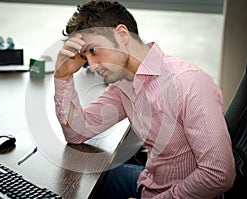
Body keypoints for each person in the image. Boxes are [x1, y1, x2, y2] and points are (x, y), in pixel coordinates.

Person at [53, 0, 236, 198]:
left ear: (122, 34)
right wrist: (62, 77)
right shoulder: (124, 84)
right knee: (78, 181)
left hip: (181, 193)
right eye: (85, 56)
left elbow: (218, 174)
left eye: (94, 50)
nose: (93, 65)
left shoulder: (190, 83)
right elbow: (77, 133)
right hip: (150, 181)